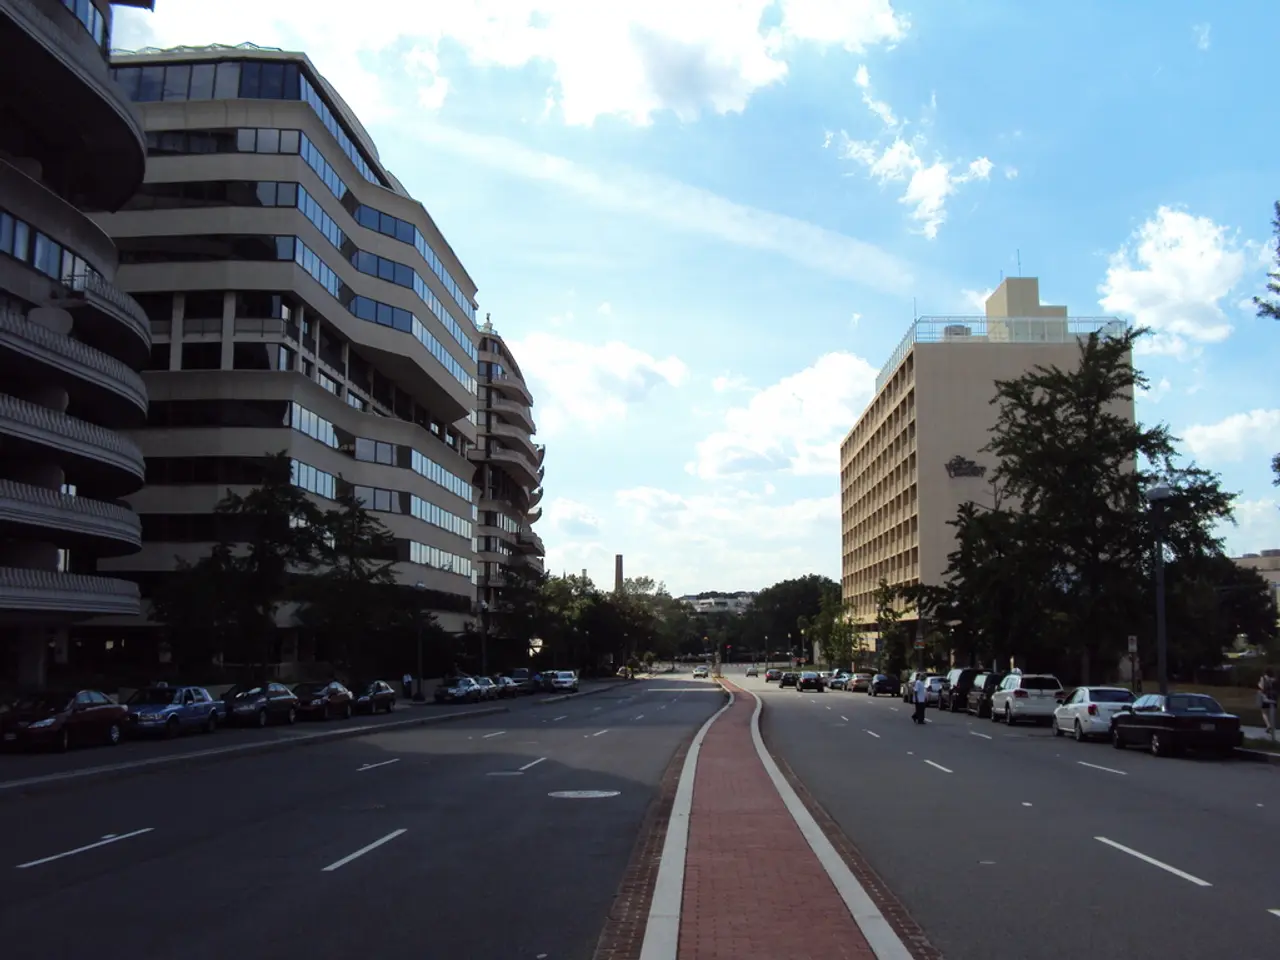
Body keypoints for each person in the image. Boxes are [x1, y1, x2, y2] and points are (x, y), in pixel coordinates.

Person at [1259, 668, 1277, 737]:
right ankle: (1273, 726)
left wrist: (1259, 685)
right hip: (1274, 698)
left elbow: (1262, 687)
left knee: (1264, 712)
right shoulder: (1274, 679)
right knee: (1272, 712)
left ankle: (1268, 725)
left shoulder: (1263, 678)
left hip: (1265, 697)